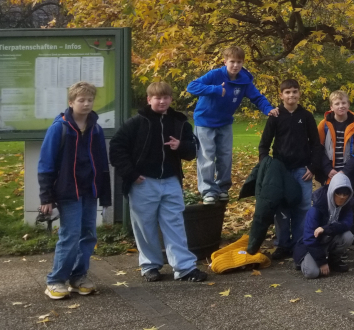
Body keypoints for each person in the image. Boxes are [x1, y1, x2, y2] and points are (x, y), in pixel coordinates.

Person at [110, 82, 208, 282]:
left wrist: (180, 146)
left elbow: (192, 151)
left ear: (171, 99)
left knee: (175, 224)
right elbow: (117, 148)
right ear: (149, 100)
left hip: (171, 181)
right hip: (143, 182)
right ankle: (150, 266)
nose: (162, 101)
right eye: (157, 98)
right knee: (145, 226)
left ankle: (184, 268)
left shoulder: (180, 123)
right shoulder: (136, 123)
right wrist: (131, 173)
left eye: (165, 97)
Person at [39, 82, 111, 299]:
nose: (86, 104)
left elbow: (101, 162)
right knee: (70, 235)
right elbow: (46, 164)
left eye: (90, 100)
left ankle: (78, 277)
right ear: (71, 103)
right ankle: (55, 280)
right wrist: (46, 196)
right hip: (68, 190)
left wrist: (104, 193)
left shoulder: (96, 128)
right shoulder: (59, 128)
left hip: (89, 189)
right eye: (81, 100)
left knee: (88, 234)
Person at [187, 46, 275, 205]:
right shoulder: (215, 75)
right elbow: (192, 86)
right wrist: (213, 89)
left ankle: (222, 189)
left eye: (239, 62)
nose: (235, 65)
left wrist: (268, 109)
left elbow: (257, 97)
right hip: (205, 121)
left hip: (225, 122)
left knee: (225, 156)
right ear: (225, 61)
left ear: (243, 63)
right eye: (232, 62)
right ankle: (208, 191)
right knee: (207, 157)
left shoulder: (244, 80)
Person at [258, 79, 321, 260]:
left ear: (299, 94)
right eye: (287, 92)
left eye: (294, 91)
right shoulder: (275, 116)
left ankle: (299, 243)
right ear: (281, 95)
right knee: (282, 208)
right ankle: (283, 244)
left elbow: (316, 144)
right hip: (281, 171)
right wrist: (266, 164)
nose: (291, 95)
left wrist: (313, 166)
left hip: (303, 170)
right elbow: (264, 145)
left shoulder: (306, 116)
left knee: (302, 207)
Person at [293, 173, 354, 278]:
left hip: (328, 238)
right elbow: (309, 238)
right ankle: (302, 261)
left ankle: (334, 260)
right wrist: (322, 262)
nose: (342, 197)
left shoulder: (347, 205)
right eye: (338, 193)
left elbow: (347, 224)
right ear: (332, 191)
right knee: (312, 273)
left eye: (345, 194)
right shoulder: (317, 207)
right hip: (312, 244)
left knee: (348, 236)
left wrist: (326, 228)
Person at [317, 90, 354, 185]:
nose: (341, 106)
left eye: (344, 103)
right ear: (331, 107)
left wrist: (345, 171)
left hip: (349, 172)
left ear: (348, 105)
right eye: (337, 104)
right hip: (329, 173)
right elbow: (318, 149)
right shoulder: (324, 125)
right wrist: (328, 169)